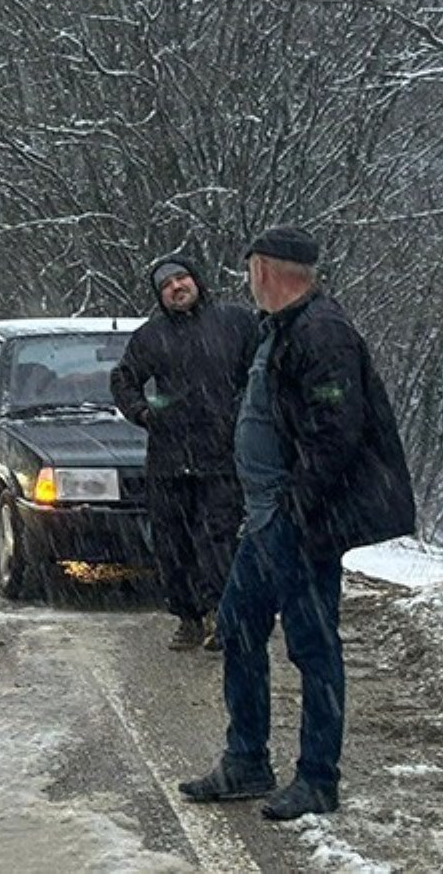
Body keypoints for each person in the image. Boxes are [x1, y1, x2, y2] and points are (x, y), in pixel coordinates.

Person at [178, 225, 416, 820]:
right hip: (265, 523)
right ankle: (246, 761)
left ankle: (317, 779)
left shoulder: (322, 331)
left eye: (251, 268)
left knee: (313, 648)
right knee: (236, 627)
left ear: (265, 269)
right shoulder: (280, 329)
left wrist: (297, 510)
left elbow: (336, 434)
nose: (248, 280)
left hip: (301, 523)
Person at [112, 255, 259, 651]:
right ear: (160, 297)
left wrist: (250, 415)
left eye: (182, 278)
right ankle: (188, 618)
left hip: (222, 456)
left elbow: (263, 370)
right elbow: (123, 378)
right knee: (172, 544)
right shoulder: (150, 336)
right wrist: (143, 412)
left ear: (197, 280)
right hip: (169, 459)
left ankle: (223, 617)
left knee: (218, 539)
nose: (177, 287)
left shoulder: (236, 323)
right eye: (166, 285)